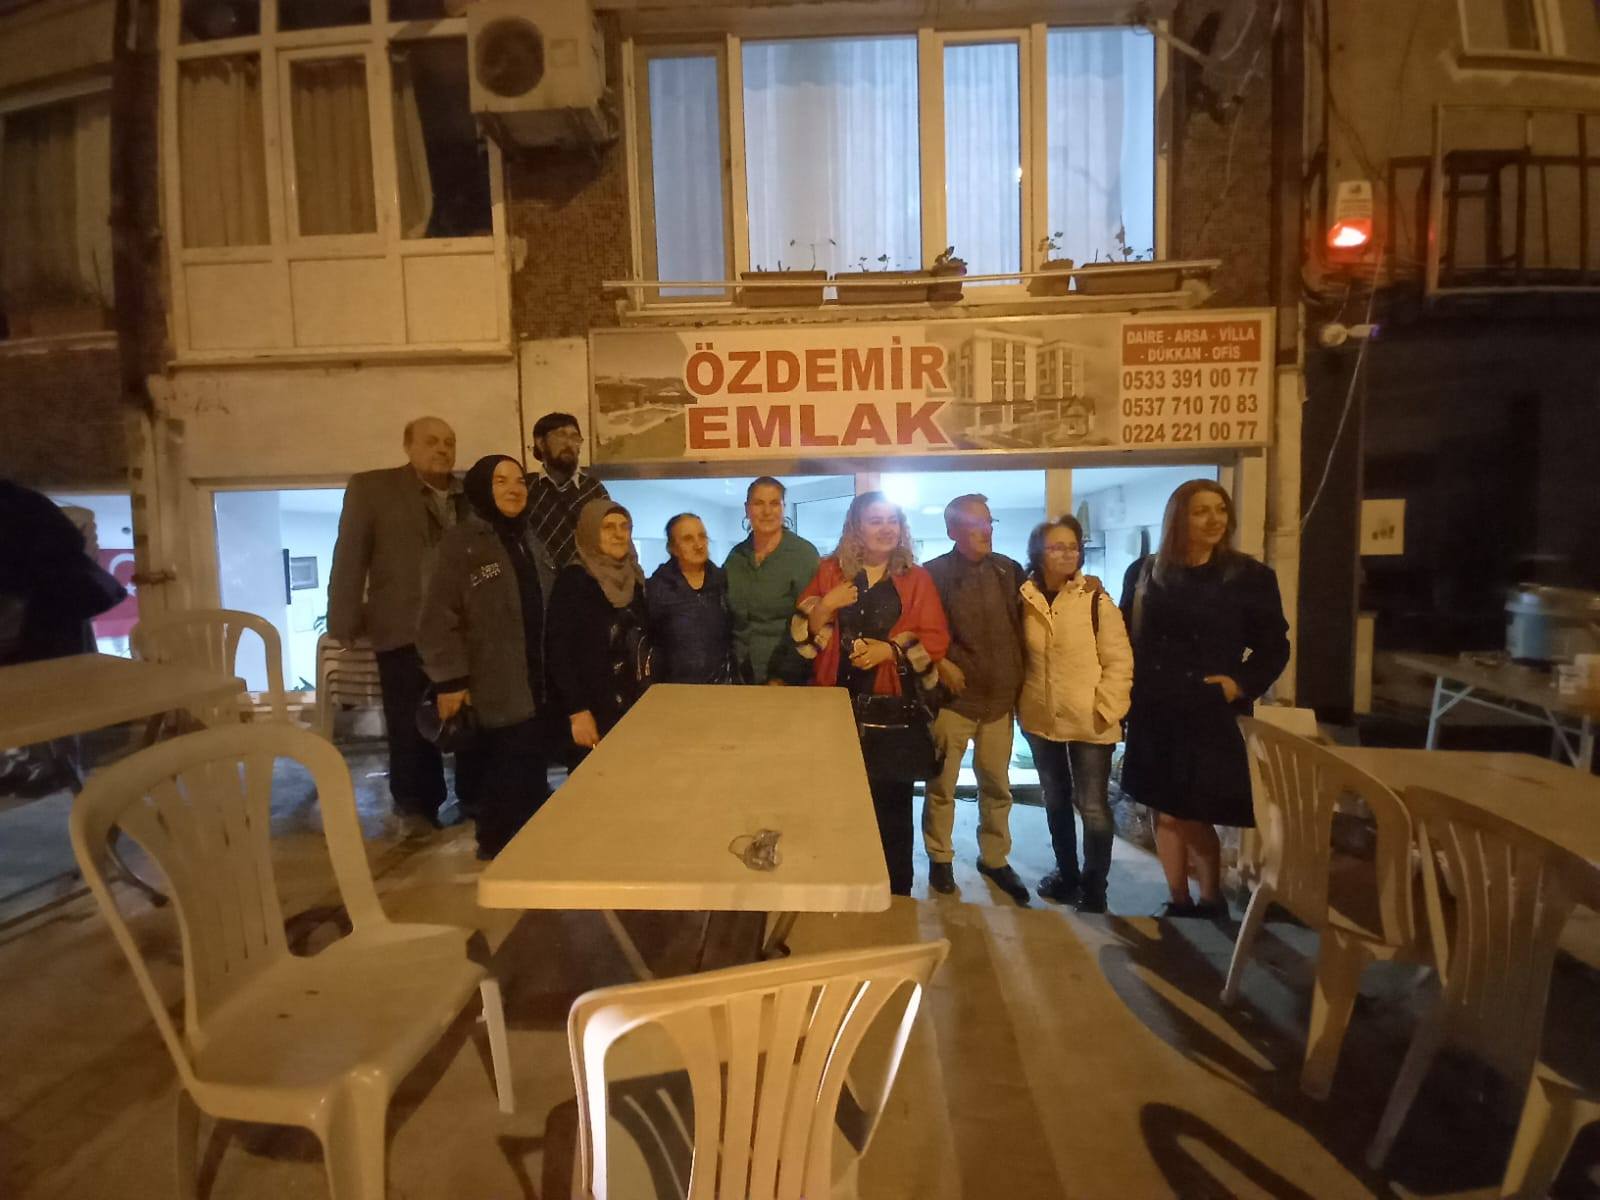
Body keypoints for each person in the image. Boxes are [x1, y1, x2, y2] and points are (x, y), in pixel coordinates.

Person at [1119, 480, 1290, 919]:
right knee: (1163, 807)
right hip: (1154, 706)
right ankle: (1178, 899)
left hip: (1208, 708)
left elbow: (1274, 646)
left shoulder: (1249, 577)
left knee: (1193, 810)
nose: (1214, 519)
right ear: (1178, 518)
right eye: (1201, 511)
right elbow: (1124, 638)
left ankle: (1211, 899)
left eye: (1220, 510)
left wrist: (1240, 683)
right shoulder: (1145, 572)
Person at [793, 492, 950, 897]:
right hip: (834, 708)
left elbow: (935, 638)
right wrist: (826, 605)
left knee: (892, 810)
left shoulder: (916, 578)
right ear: (856, 528)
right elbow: (803, 640)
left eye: (892, 520)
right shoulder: (830, 571)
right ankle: (841, 890)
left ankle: (895, 896)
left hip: (891, 711)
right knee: (838, 804)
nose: (885, 528)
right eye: (875, 520)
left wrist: (892, 650)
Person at [327, 416, 468, 834]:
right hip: (403, 625)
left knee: (466, 719)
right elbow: (350, 553)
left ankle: (473, 799)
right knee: (408, 724)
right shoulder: (373, 489)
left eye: (449, 442)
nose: (442, 449)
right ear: (408, 446)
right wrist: (343, 617)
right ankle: (415, 806)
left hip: (460, 630)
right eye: (432, 441)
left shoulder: (467, 495)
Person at [418, 455, 557, 859]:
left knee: (529, 768)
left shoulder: (529, 539)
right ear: (481, 489)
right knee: (499, 773)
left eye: (520, 481)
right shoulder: (459, 545)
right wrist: (450, 680)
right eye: (501, 481)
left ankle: (529, 848)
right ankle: (498, 851)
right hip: (487, 682)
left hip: (531, 677)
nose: (514, 489)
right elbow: (436, 618)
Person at [1017, 516, 1133, 914]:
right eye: (1057, 547)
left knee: (1094, 806)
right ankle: (1066, 874)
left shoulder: (1095, 599)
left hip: (1091, 718)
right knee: (1055, 799)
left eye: (1073, 546)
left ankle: (1094, 888)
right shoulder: (1024, 597)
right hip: (1040, 717)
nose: (1068, 554)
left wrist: (1108, 708)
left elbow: (1119, 660)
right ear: (1038, 552)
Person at [919, 495, 1032, 905]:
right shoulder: (932, 574)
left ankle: (995, 858)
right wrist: (940, 662)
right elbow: (918, 629)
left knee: (997, 785)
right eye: (974, 524)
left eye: (988, 522)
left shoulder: (1009, 570)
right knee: (941, 786)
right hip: (953, 703)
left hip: (1000, 702)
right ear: (952, 531)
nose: (985, 531)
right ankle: (940, 856)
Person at [0, 480, 125, 796]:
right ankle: (50, 769)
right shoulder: (25, 504)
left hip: (39, 625)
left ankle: (42, 769)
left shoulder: (19, 506)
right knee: (50, 711)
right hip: (50, 622)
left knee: (40, 709)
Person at [546, 498, 654, 755]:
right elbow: (558, 652)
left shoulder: (635, 579)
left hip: (634, 705)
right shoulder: (574, 581)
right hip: (592, 711)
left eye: (624, 527)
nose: (619, 534)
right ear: (590, 532)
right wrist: (577, 711)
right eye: (608, 527)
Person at [724, 477, 820, 685]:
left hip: (788, 678)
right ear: (747, 509)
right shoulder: (735, 558)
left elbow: (811, 624)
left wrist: (783, 677)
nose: (767, 511)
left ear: (784, 507)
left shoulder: (804, 555)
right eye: (758, 503)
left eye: (774, 503)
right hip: (740, 676)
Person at [646, 512, 733, 684]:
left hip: (722, 686)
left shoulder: (723, 581)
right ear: (672, 548)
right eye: (688, 539)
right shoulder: (658, 588)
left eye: (702, 536)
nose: (698, 545)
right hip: (674, 688)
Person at [525, 411, 608, 567]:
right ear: (541, 443)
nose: (569, 443)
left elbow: (608, 537)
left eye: (575, 437)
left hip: (586, 577)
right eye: (561, 435)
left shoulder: (593, 488)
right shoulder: (526, 488)